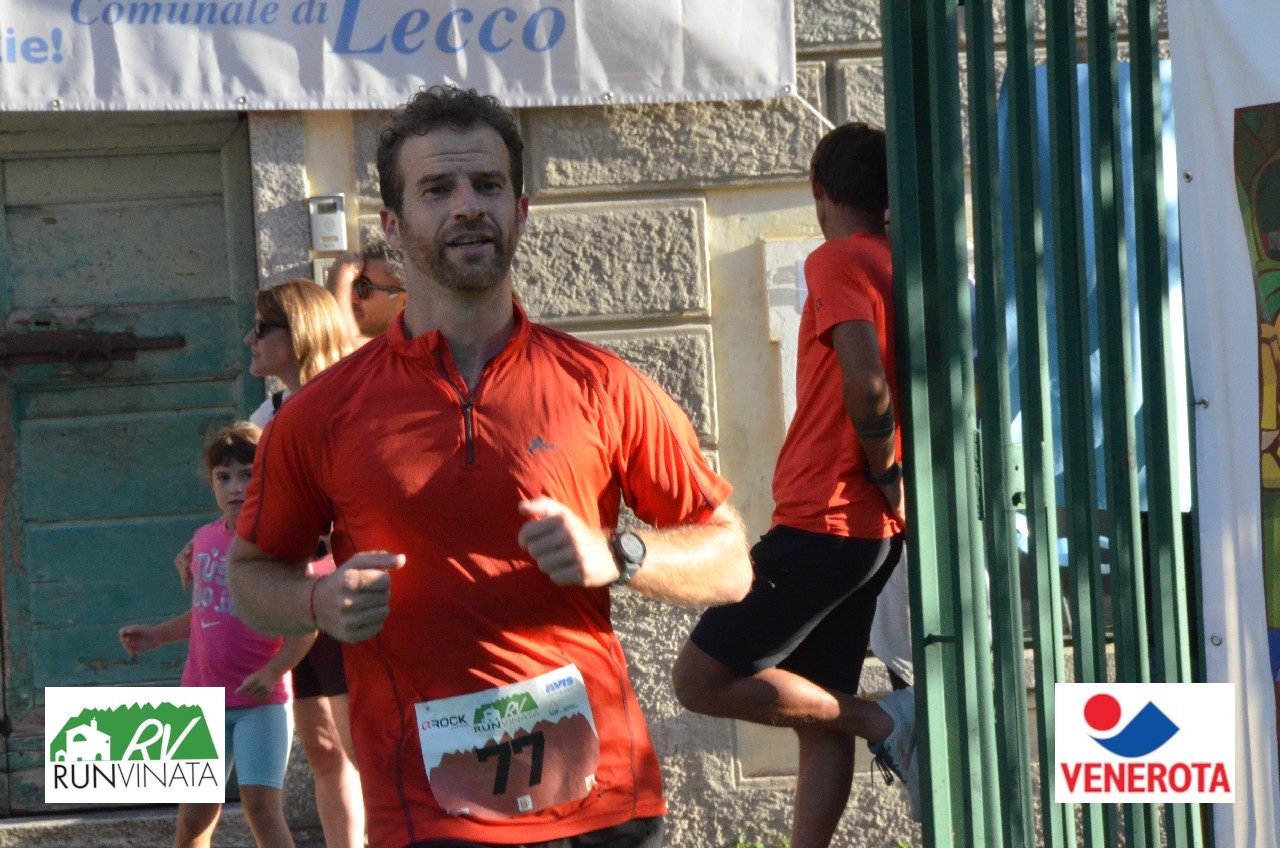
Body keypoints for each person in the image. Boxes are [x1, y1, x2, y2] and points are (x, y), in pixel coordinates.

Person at [226, 84, 753, 848]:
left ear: (521, 211)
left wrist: (620, 554)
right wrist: (316, 601)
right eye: (438, 189)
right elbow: (250, 574)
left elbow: (732, 561)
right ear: (392, 226)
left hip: (604, 804)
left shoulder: (603, 386)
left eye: (488, 185)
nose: (468, 206)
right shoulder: (321, 413)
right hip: (428, 813)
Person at [671, 122, 919, 846]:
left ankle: (889, 720)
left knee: (698, 679)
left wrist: (886, 470)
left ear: (820, 190)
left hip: (825, 521)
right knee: (820, 711)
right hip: (866, 533)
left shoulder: (838, 259)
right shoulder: (904, 263)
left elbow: (867, 384)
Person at [120, 422, 313, 848]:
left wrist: (272, 672)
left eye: (247, 474)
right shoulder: (204, 539)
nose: (235, 487)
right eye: (223, 477)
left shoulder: (280, 542)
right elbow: (207, 610)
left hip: (261, 703)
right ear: (210, 482)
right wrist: (158, 635)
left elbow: (305, 626)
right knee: (193, 818)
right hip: (200, 700)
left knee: (262, 809)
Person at [242, 279, 366, 848]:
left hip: (350, 590)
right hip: (300, 596)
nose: (249, 340)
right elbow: (250, 506)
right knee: (321, 746)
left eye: (261, 329)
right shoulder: (267, 415)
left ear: (300, 333)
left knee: (364, 744)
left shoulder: (351, 400)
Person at [324, 239, 406, 343]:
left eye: (364, 288)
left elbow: (346, 348)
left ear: (404, 300)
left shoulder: (415, 345)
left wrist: (340, 277)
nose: (353, 298)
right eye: (352, 285)